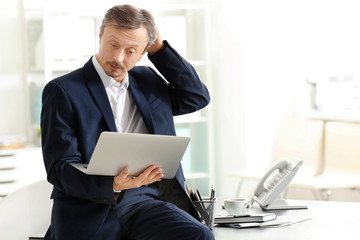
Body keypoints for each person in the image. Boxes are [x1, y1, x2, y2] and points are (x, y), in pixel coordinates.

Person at [41, 4, 213, 240]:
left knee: (199, 236)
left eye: (131, 50)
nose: (118, 57)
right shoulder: (63, 90)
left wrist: (160, 50)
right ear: (100, 35)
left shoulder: (149, 80)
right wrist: (112, 184)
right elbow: (59, 167)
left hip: (145, 203)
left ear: (144, 52)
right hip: (90, 208)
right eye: (113, 44)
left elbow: (197, 97)